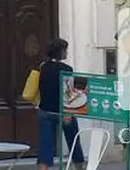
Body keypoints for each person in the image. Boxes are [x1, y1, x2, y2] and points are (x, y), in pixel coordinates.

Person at [37, 38, 85, 170]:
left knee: (45, 144)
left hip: (45, 110)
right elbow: (69, 93)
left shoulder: (43, 67)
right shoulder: (67, 69)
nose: (67, 52)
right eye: (65, 50)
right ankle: (79, 166)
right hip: (64, 112)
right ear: (61, 51)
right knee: (73, 140)